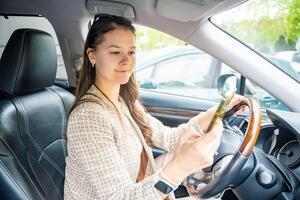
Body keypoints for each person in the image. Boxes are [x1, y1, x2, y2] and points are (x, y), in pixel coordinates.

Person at [64, 14, 245, 200]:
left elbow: (169, 138)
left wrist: (221, 109)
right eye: (115, 52)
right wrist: (181, 166)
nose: (126, 61)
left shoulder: (124, 101)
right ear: (92, 56)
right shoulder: (88, 117)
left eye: (131, 52)